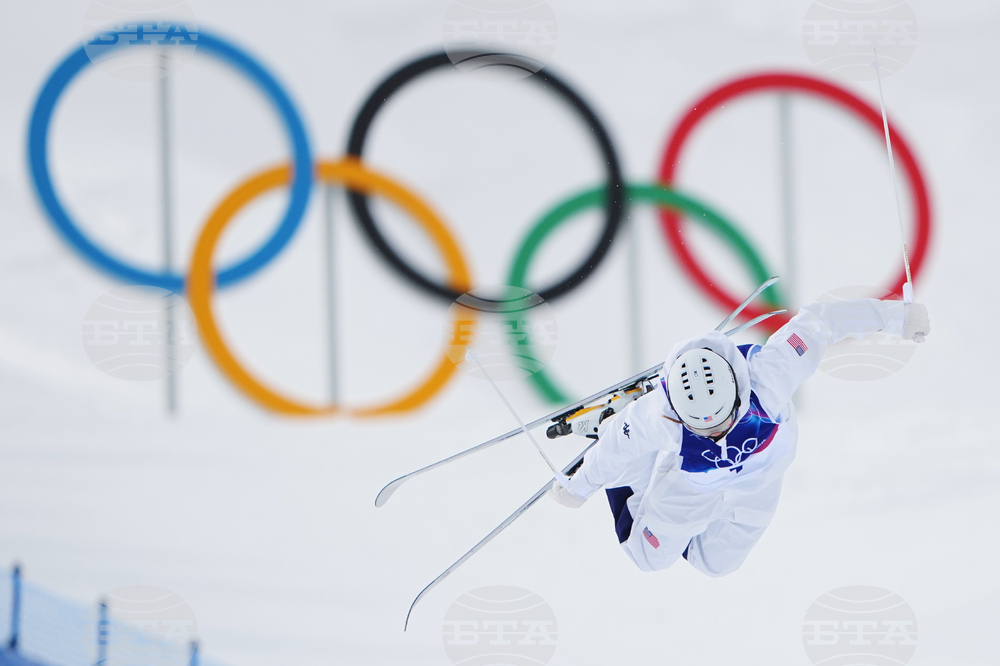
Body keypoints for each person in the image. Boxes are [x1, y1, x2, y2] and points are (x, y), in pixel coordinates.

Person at [549, 296, 930, 576]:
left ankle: (659, 486)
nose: (717, 433)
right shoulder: (658, 413)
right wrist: (578, 488)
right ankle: (637, 468)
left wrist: (897, 316)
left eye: (724, 421)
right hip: (694, 485)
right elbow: (615, 443)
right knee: (647, 557)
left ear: (737, 390)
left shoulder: (771, 373)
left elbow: (822, 322)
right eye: (703, 427)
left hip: (762, 480)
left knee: (714, 564)